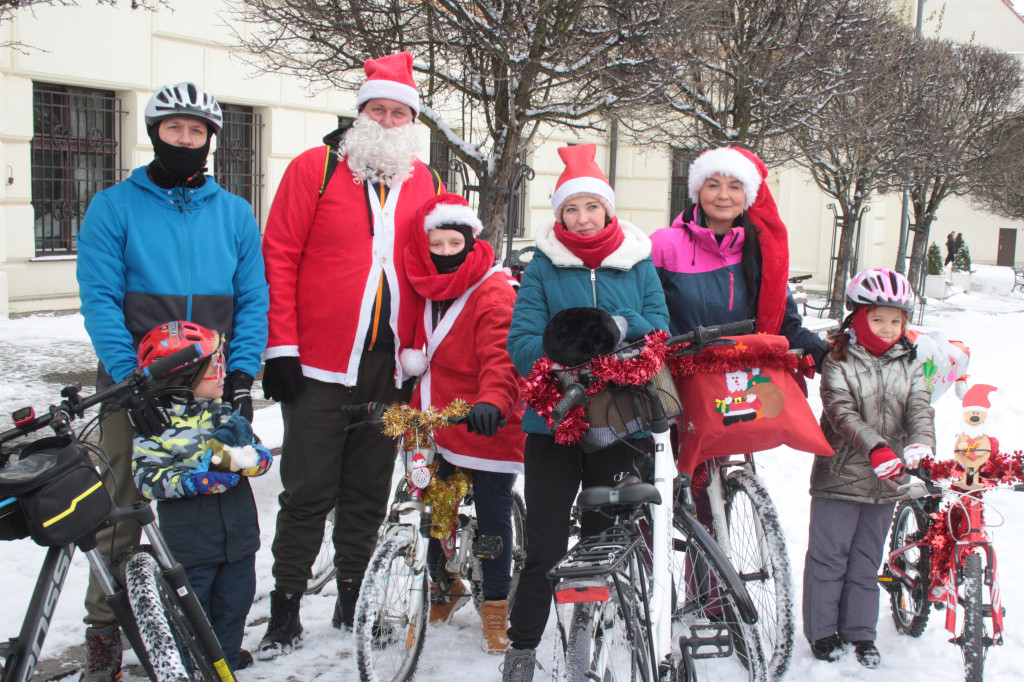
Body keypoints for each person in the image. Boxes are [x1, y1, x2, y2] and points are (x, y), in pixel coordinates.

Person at [75, 81, 269, 681]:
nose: (185, 140)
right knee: (119, 503)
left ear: (211, 139)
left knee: (215, 494)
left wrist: (242, 370)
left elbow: (253, 298)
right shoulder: (113, 206)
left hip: (211, 382)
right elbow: (101, 297)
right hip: (136, 376)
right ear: (155, 132)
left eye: (197, 131)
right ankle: (105, 629)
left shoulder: (235, 213)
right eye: (173, 129)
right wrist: (131, 381)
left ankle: (206, 626)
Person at [259, 51, 443, 656]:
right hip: (316, 360)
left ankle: (352, 595)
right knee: (308, 490)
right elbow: (278, 257)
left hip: (389, 366)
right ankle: (286, 607)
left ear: (410, 123)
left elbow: (436, 266)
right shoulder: (316, 168)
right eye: (378, 110)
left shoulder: (426, 181)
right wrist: (280, 347)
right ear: (360, 113)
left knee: (367, 489)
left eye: (399, 113)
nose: (388, 120)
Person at [502, 143, 670, 681]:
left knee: (606, 534)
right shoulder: (543, 267)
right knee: (546, 543)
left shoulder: (637, 261)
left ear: (608, 210)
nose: (581, 217)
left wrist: (619, 327)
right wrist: (564, 350)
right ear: (559, 215)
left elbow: (658, 324)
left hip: (619, 420)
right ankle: (523, 647)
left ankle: (591, 625)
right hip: (554, 419)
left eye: (590, 206)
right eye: (570, 208)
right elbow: (521, 340)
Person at [399, 193, 525, 654]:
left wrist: (493, 399)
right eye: (438, 243)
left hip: (487, 419)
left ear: (472, 243)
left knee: (492, 516)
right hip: (439, 419)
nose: (447, 251)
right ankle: (444, 587)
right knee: (438, 509)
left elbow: (501, 351)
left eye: (456, 242)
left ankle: (495, 607)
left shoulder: (492, 289)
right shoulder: (423, 286)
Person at [802, 268, 935, 668]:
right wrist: (876, 448)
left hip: (887, 481)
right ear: (857, 317)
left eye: (896, 320)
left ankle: (861, 632)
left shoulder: (909, 362)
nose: (888, 327)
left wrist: (920, 443)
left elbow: (920, 407)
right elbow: (840, 411)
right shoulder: (837, 359)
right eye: (878, 318)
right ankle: (823, 632)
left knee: (866, 559)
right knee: (829, 558)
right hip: (840, 476)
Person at [132, 321, 272, 671]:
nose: (223, 374)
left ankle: (223, 659)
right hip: (192, 548)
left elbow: (255, 449)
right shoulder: (158, 428)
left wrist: (255, 460)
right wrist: (193, 481)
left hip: (238, 540)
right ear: (186, 374)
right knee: (194, 614)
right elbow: (146, 479)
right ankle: (195, 666)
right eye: (215, 367)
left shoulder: (224, 413)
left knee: (235, 604)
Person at [650, 147, 828, 369]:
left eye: (735, 186)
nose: (723, 195)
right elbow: (644, 317)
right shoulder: (663, 246)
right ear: (698, 191)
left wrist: (828, 354)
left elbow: (783, 324)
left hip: (742, 387)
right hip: (679, 387)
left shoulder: (762, 253)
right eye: (713, 185)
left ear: (747, 196)